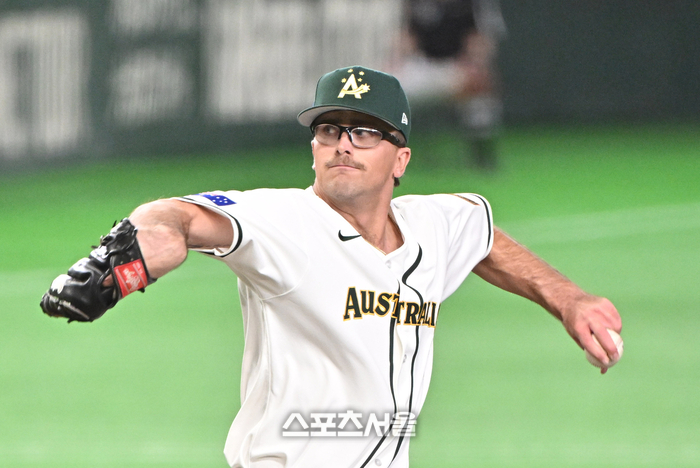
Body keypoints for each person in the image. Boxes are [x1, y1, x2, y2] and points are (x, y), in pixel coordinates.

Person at [41, 66, 622, 468]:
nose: (343, 143)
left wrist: (569, 300)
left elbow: (483, 237)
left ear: (401, 158)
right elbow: (180, 215)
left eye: (364, 132)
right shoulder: (284, 223)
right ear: (314, 148)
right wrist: (141, 246)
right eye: (329, 130)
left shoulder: (432, 226)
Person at [390, 0, 506, 169]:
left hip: (457, 66)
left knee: (480, 87)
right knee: (389, 87)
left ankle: (481, 150)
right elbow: (407, 36)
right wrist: (396, 61)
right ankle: (387, 151)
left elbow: (480, 39)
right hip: (422, 66)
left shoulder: (472, 4)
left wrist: (475, 64)